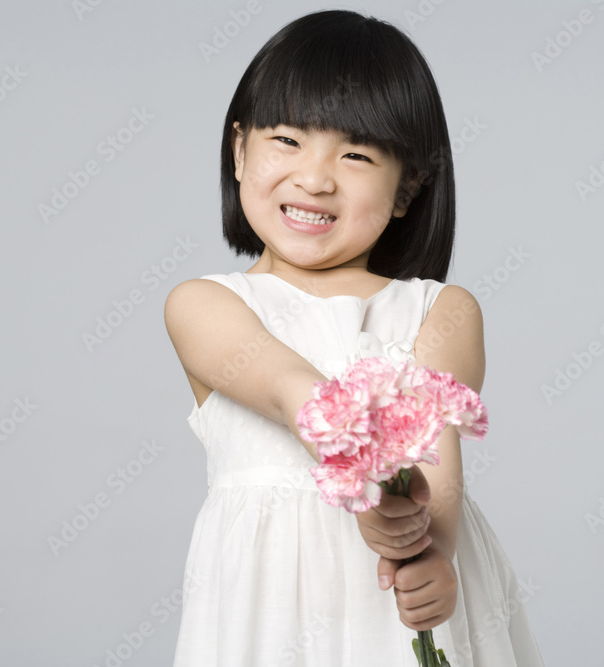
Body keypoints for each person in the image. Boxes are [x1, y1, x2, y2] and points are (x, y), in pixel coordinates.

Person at [164, 9, 545, 666]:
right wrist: (368, 485)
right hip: (271, 607)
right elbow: (290, 390)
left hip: (403, 594)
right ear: (238, 149)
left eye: (357, 153)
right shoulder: (205, 303)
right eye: (286, 140)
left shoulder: (441, 310)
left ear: (408, 189)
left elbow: (436, 452)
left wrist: (434, 552)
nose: (315, 177)